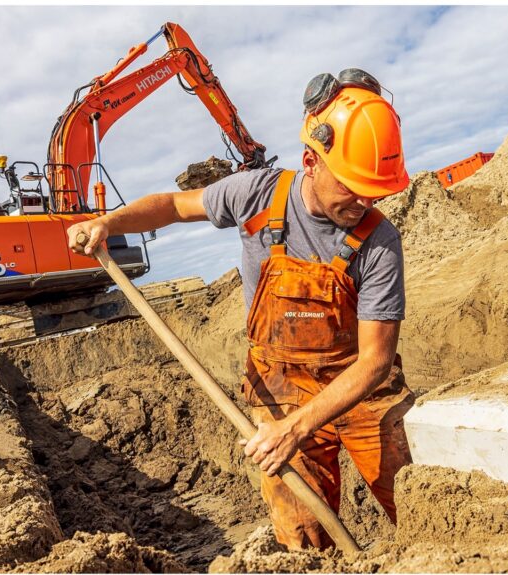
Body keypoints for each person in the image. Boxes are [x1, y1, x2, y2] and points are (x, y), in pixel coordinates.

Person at [67, 68, 415, 550]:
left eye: (374, 190)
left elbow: (375, 361)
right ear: (310, 160)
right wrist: (109, 221)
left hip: (358, 384)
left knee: (418, 502)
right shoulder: (255, 194)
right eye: (353, 185)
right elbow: (171, 205)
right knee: (301, 537)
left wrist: (299, 427)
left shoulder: (379, 241)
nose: (364, 200)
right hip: (281, 388)